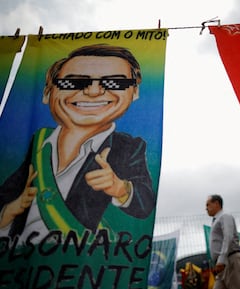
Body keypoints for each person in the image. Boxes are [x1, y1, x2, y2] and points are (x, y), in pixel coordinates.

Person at [0, 44, 155, 242]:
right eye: (72, 83)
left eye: (114, 83)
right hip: (22, 262)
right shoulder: (38, 144)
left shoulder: (128, 148)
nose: (93, 91)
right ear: (47, 93)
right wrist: (10, 211)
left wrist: (121, 188)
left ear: (134, 93)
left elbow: (145, 203)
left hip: (80, 263)